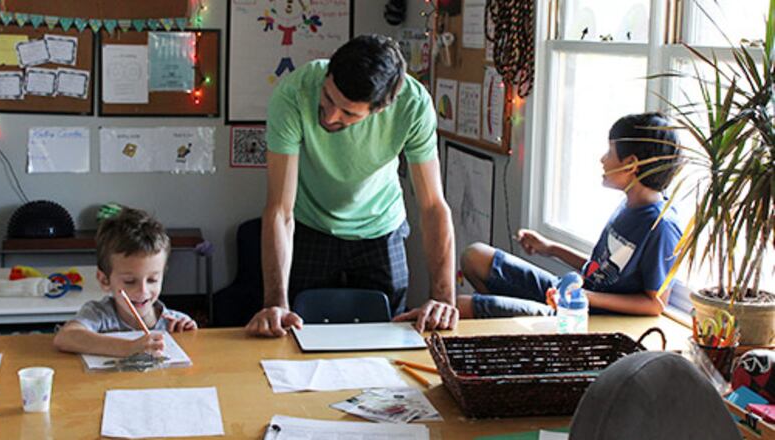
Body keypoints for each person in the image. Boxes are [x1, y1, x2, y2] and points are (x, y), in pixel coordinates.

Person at [246, 34, 458, 337]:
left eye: (348, 113)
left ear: (380, 109)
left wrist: (444, 299)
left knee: (387, 337)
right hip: (311, 224)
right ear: (328, 74)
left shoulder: (413, 105)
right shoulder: (294, 92)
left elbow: (433, 206)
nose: (331, 116)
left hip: (382, 227)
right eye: (328, 97)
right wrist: (275, 303)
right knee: (293, 332)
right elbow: (280, 209)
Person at [457, 112, 683, 318]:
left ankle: (508, 321)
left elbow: (655, 304)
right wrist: (550, 248)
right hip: (572, 295)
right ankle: (506, 319)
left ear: (631, 165)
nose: (603, 159)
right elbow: (600, 270)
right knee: (474, 256)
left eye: (610, 152)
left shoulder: (662, 226)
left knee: (461, 308)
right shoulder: (630, 204)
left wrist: (584, 298)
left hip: (584, 314)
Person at [54, 207, 197, 357]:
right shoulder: (99, 315)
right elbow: (65, 337)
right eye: (130, 281)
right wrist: (128, 347)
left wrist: (188, 336)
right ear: (105, 280)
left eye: (152, 280)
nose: (143, 291)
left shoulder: (174, 322)